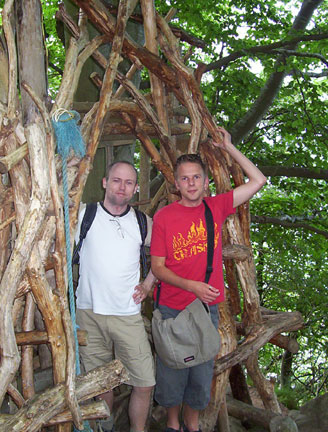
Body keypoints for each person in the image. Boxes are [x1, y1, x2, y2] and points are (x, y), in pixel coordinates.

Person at [150, 128, 267, 432]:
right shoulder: (165, 216)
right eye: (185, 178)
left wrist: (229, 148)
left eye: (196, 177)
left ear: (205, 182)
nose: (191, 183)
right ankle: (173, 425)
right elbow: (159, 268)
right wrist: (192, 287)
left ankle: (193, 425)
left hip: (205, 311)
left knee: (201, 378)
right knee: (173, 374)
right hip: (173, 309)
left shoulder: (214, 207)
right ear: (176, 184)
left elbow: (258, 181)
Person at [76, 161, 156, 432]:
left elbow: (162, 255)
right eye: (116, 180)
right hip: (89, 312)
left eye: (128, 183)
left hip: (127, 314)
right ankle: (104, 429)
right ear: (105, 182)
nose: (122, 187)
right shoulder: (83, 215)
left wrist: (148, 284)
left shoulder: (142, 222)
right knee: (100, 385)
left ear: (135, 188)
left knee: (145, 381)